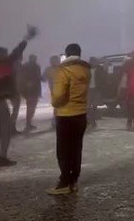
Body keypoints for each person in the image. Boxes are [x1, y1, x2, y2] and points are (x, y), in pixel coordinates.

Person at [0, 25, 38, 168]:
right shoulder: (4, 64)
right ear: (0, 55)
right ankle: (2, 157)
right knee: (5, 130)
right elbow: (17, 51)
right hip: (0, 102)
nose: (7, 54)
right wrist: (26, 38)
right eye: (5, 53)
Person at [47, 43, 90, 195]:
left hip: (66, 115)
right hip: (81, 114)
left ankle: (64, 182)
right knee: (76, 148)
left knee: (64, 151)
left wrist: (53, 102)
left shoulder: (63, 70)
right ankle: (74, 180)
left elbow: (58, 97)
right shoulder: (85, 69)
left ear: (66, 54)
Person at [21, 54, 42, 131]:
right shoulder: (28, 66)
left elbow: (38, 78)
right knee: (31, 107)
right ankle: (28, 123)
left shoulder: (35, 66)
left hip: (33, 90)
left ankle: (29, 123)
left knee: (31, 108)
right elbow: (23, 78)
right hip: (30, 91)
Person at [42, 55, 60, 128]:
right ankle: (55, 120)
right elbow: (43, 78)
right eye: (53, 61)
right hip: (54, 89)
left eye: (56, 60)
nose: (55, 62)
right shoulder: (48, 69)